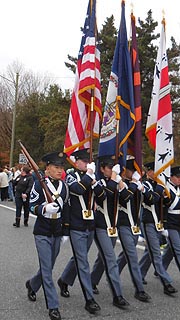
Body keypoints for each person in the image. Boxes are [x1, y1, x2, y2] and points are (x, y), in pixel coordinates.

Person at [57, 148, 102, 315]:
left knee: (79, 257)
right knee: (83, 261)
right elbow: (77, 190)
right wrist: (89, 175)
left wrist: (96, 182)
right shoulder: (71, 175)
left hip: (90, 224)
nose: (88, 164)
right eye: (85, 161)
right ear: (77, 162)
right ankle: (89, 299)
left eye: (89, 162)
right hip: (76, 224)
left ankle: (64, 280)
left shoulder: (90, 177)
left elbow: (102, 196)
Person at [26, 151, 69, 320]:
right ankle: (53, 306)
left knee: (48, 267)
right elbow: (31, 206)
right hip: (42, 232)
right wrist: (43, 209)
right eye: (56, 167)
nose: (60, 170)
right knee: (47, 270)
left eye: (61, 167)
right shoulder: (38, 184)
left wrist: (65, 231)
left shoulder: (64, 186)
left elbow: (66, 210)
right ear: (48, 169)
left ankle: (32, 284)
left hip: (57, 232)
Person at [91, 155, 129, 308]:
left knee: (103, 258)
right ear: (102, 169)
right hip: (100, 226)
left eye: (113, 168)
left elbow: (126, 198)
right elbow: (105, 195)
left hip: (113, 226)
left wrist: (119, 180)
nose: (111, 171)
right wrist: (114, 179)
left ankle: (88, 280)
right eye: (109, 168)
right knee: (111, 259)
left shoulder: (116, 182)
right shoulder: (98, 183)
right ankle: (117, 295)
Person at [139, 162, 177, 296]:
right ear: (149, 172)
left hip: (159, 223)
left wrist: (166, 196)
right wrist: (160, 190)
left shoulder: (160, 185)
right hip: (148, 222)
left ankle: (139, 273)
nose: (157, 174)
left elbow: (166, 204)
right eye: (154, 171)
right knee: (156, 253)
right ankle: (166, 283)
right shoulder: (144, 184)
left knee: (150, 252)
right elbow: (150, 199)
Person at [116, 157, 151, 302]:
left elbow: (151, 199)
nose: (136, 173)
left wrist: (142, 187)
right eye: (133, 170)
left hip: (135, 225)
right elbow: (125, 197)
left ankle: (100, 278)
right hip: (123, 224)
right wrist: (135, 183)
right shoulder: (120, 183)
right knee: (132, 256)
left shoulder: (138, 184)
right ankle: (139, 290)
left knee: (123, 256)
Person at [163, 166, 180, 272]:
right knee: (178, 249)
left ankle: (161, 268)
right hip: (170, 223)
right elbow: (164, 208)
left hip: (179, 222)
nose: (179, 179)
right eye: (178, 177)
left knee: (170, 249)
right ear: (171, 177)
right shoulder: (166, 189)